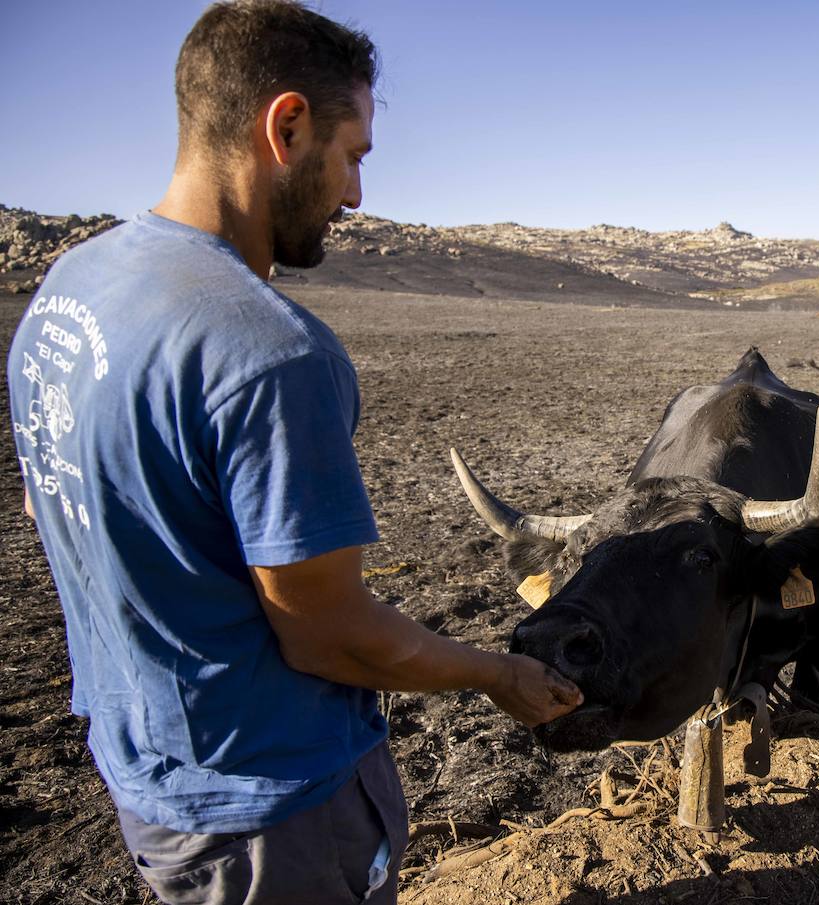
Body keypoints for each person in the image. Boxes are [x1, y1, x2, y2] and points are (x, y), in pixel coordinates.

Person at [5, 2, 583, 902]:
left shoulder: (69, 288)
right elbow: (332, 636)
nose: (355, 195)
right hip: (272, 812)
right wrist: (497, 672)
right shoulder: (270, 352)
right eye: (353, 156)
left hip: (147, 772)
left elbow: (55, 504)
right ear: (286, 126)